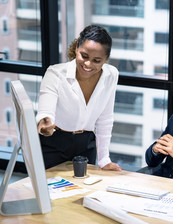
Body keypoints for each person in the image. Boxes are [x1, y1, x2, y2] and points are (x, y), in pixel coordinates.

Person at [36, 25, 122, 171]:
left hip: (86, 145)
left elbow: (105, 119)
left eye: (97, 60)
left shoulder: (111, 75)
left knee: (84, 191)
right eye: (84, 56)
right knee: (52, 192)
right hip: (54, 143)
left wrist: (104, 159)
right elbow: (46, 111)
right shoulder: (55, 73)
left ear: (106, 59)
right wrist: (45, 124)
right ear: (77, 48)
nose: (88, 64)